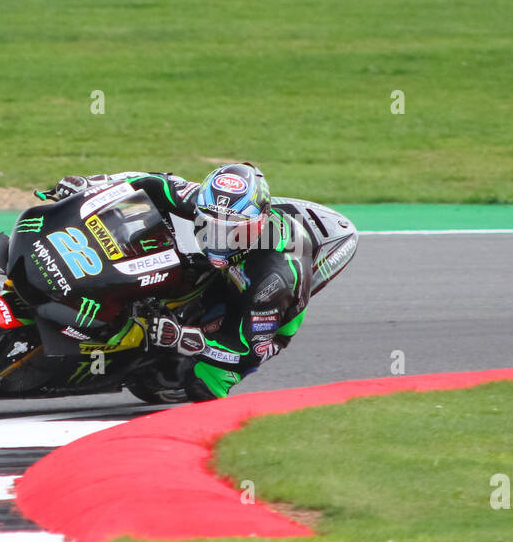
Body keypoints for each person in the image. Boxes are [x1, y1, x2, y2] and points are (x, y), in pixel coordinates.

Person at [42, 163, 313, 400]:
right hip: (227, 270)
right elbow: (152, 182)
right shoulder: (205, 201)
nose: (217, 238)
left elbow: (250, 351)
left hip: (260, 324)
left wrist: (187, 339)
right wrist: (92, 184)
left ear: (258, 224)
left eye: (231, 232)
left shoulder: (273, 281)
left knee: (203, 386)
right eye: (210, 225)